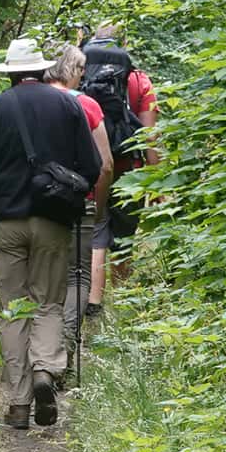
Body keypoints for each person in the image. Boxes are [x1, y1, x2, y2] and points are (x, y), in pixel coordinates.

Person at [0, 37, 105, 429]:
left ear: (9, 74)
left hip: (5, 223)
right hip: (53, 221)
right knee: (48, 302)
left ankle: (20, 404)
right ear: (43, 69)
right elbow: (92, 165)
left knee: (13, 308)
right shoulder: (67, 104)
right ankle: (46, 370)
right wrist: (68, 191)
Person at [79, 23, 158, 324]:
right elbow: (149, 136)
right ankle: (122, 305)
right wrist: (157, 180)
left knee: (95, 232)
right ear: (123, 45)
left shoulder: (81, 75)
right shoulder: (138, 80)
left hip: (90, 169)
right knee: (123, 238)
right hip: (129, 171)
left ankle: (90, 303)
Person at [45, 44, 113, 352]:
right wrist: (98, 206)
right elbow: (105, 163)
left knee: (43, 276)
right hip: (78, 199)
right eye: (81, 69)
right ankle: (67, 342)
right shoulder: (87, 105)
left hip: (37, 200)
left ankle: (39, 348)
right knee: (77, 276)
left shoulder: (28, 101)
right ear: (72, 69)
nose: (84, 75)